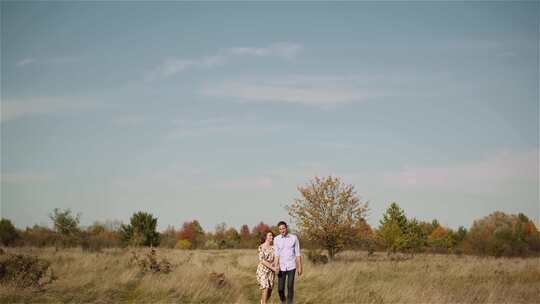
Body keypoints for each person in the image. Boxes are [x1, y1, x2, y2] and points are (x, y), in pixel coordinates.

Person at [274, 221, 302, 304]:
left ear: (286, 228)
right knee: (280, 289)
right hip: (281, 267)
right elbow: (276, 254)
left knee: (290, 286)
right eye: (280, 229)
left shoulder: (294, 238)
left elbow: (297, 253)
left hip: (291, 266)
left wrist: (300, 267)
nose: (282, 230)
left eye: (283, 228)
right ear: (279, 230)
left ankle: (290, 302)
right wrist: (276, 266)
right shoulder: (276, 239)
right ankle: (283, 301)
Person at [256, 231, 279, 304]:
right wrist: (273, 268)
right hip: (262, 270)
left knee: (269, 291)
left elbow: (276, 258)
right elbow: (262, 260)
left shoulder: (274, 248)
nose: (272, 237)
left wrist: (276, 266)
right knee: (265, 287)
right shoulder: (261, 247)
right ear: (266, 237)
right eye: (270, 235)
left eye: (272, 236)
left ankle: (262, 302)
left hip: (271, 272)